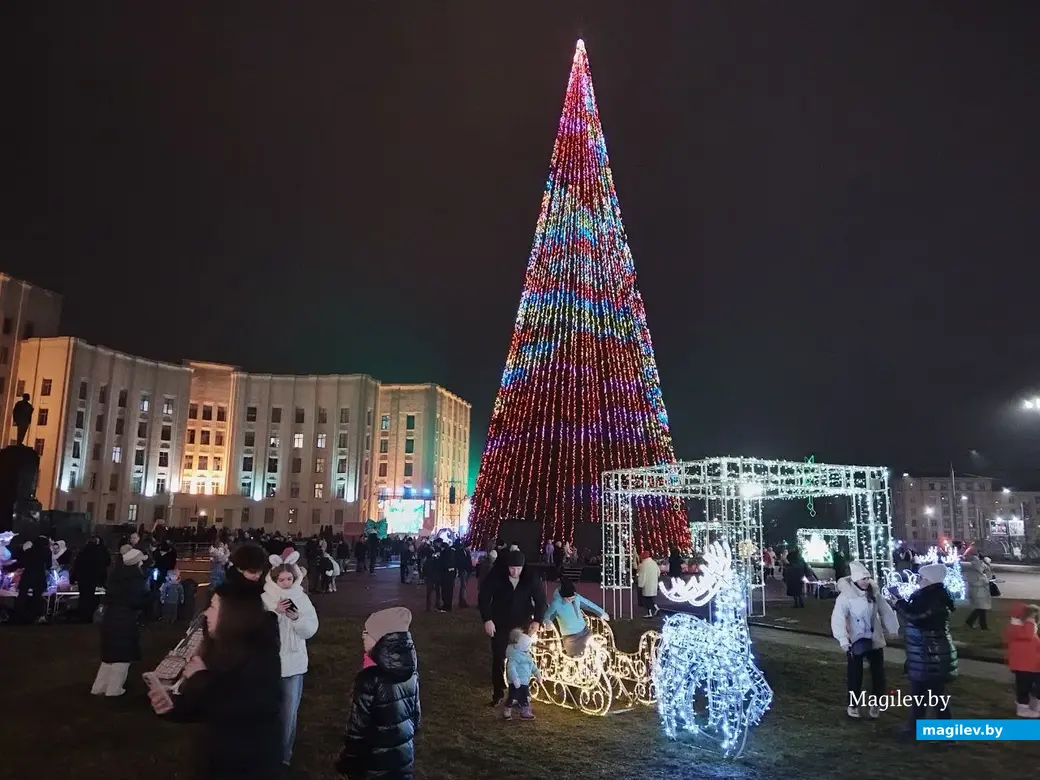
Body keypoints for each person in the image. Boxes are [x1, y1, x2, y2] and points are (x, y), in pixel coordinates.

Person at [149, 579, 283, 780]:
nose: (206, 613)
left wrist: (200, 677)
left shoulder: (262, 655)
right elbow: (210, 703)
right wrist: (173, 708)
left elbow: (251, 707)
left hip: (248, 765)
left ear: (233, 615)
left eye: (212, 607)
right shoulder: (218, 647)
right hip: (213, 759)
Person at [336, 607, 420, 779]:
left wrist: (348, 761)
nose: (362, 636)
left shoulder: (369, 679)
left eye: (367, 632)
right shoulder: (411, 672)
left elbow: (357, 729)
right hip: (402, 759)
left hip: (372, 764)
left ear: (381, 639)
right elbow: (416, 718)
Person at [262, 550, 319, 769]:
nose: (286, 583)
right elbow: (259, 628)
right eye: (281, 579)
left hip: (294, 665)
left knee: (288, 714)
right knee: (268, 711)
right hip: (269, 664)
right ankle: (265, 752)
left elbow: (311, 629)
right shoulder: (265, 598)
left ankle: (283, 757)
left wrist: (296, 619)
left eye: (289, 579)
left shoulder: (301, 598)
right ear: (274, 578)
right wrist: (275, 613)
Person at [892, 563, 958, 732]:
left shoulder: (935, 599)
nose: (919, 580)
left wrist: (899, 603)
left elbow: (917, 617)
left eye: (922, 578)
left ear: (930, 580)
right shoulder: (927, 596)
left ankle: (946, 733)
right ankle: (915, 728)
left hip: (932, 656)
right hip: (923, 655)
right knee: (919, 694)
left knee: (936, 697)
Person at [478, 549, 547, 707]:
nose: (514, 572)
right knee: (499, 657)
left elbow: (541, 600)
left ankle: (520, 692)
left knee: (522, 657)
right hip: (500, 621)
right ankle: (498, 693)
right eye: (512, 568)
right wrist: (487, 619)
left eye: (518, 569)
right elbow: (484, 597)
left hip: (522, 622)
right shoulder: (497, 574)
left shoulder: (531, 577)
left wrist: (537, 620)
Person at [830, 560, 899, 718]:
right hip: (855, 640)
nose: (867, 581)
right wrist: (843, 639)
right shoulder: (845, 597)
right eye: (863, 579)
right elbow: (838, 618)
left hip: (874, 638)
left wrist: (893, 627)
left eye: (868, 578)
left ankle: (876, 703)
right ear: (855, 580)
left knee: (878, 673)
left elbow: (885, 611)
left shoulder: (874, 593)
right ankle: (853, 704)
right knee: (855, 674)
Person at [91, 547, 149, 696]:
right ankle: (114, 689)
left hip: (110, 618)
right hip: (125, 620)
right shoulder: (135, 579)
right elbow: (137, 602)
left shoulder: (115, 576)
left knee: (109, 657)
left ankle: (99, 687)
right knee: (122, 657)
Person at [543, 578, 608, 656]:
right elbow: (548, 615)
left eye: (573, 598)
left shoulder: (576, 597)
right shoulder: (556, 604)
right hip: (570, 638)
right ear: (563, 597)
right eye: (569, 599)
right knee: (575, 659)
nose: (571, 600)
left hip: (585, 632)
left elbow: (588, 604)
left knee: (593, 653)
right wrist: (547, 622)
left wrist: (601, 613)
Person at [1004, 602, 1040, 718]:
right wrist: (1030, 621)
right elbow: (1028, 635)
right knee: (1024, 687)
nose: (1034, 620)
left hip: (1033, 664)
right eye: (1032, 616)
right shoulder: (1016, 629)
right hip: (1023, 666)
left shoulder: (1026, 628)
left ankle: (1035, 704)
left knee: (1036, 685)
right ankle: (1023, 708)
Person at [504, 624, 541, 720]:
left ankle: (525, 712)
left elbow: (532, 666)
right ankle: (507, 710)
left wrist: (538, 674)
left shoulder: (527, 656)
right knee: (512, 697)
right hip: (515, 682)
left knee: (525, 697)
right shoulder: (515, 656)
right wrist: (515, 678)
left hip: (524, 682)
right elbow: (511, 667)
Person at [70, 534, 110, 623]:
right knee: (92, 599)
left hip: (82, 580)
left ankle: (82, 617)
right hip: (93, 580)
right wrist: (102, 581)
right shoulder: (99, 553)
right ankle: (89, 617)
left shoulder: (82, 552)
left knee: (83, 599)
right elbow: (102, 567)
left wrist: (73, 579)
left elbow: (76, 566)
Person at [963, 555, 993, 630]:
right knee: (981, 608)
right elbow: (975, 583)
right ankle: (979, 625)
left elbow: (988, 573)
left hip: (981, 593)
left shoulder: (978, 572)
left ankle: (977, 624)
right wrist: (985, 582)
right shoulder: (974, 573)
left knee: (981, 609)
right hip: (978, 593)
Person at [636, 551, 660, 618]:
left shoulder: (643, 565)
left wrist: (640, 585)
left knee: (647, 599)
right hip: (653, 583)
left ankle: (652, 612)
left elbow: (642, 576)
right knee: (651, 598)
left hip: (647, 584)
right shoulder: (654, 563)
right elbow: (658, 572)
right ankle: (655, 609)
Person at [438, 540, 458, 612]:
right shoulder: (452, 553)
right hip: (451, 576)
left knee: (445, 591)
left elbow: (442, 564)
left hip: (445, 576)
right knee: (449, 591)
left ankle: (446, 606)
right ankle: (448, 605)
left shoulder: (444, 554)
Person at [455, 540, 473, 608]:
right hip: (464, 571)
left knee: (464, 587)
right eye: (470, 546)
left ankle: (462, 601)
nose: (471, 547)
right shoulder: (461, 552)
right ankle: (463, 601)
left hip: (467, 571)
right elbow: (461, 561)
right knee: (463, 587)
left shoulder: (467, 552)